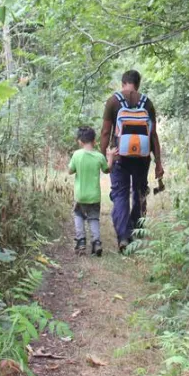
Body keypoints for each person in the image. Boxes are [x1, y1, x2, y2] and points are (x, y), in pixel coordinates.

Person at [100, 69, 164, 253]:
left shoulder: (113, 101)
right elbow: (153, 135)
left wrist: (103, 155)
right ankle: (138, 231)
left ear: (123, 83)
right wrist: (158, 162)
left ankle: (123, 237)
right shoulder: (147, 102)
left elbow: (105, 132)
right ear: (138, 84)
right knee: (139, 191)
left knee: (120, 194)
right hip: (142, 157)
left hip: (119, 155)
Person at [68, 126, 108, 257]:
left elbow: (70, 171)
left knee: (78, 216)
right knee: (93, 218)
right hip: (94, 196)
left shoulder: (76, 155)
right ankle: (96, 243)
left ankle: (81, 241)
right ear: (94, 141)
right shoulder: (99, 156)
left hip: (80, 196)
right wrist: (111, 157)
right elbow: (107, 170)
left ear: (80, 141)